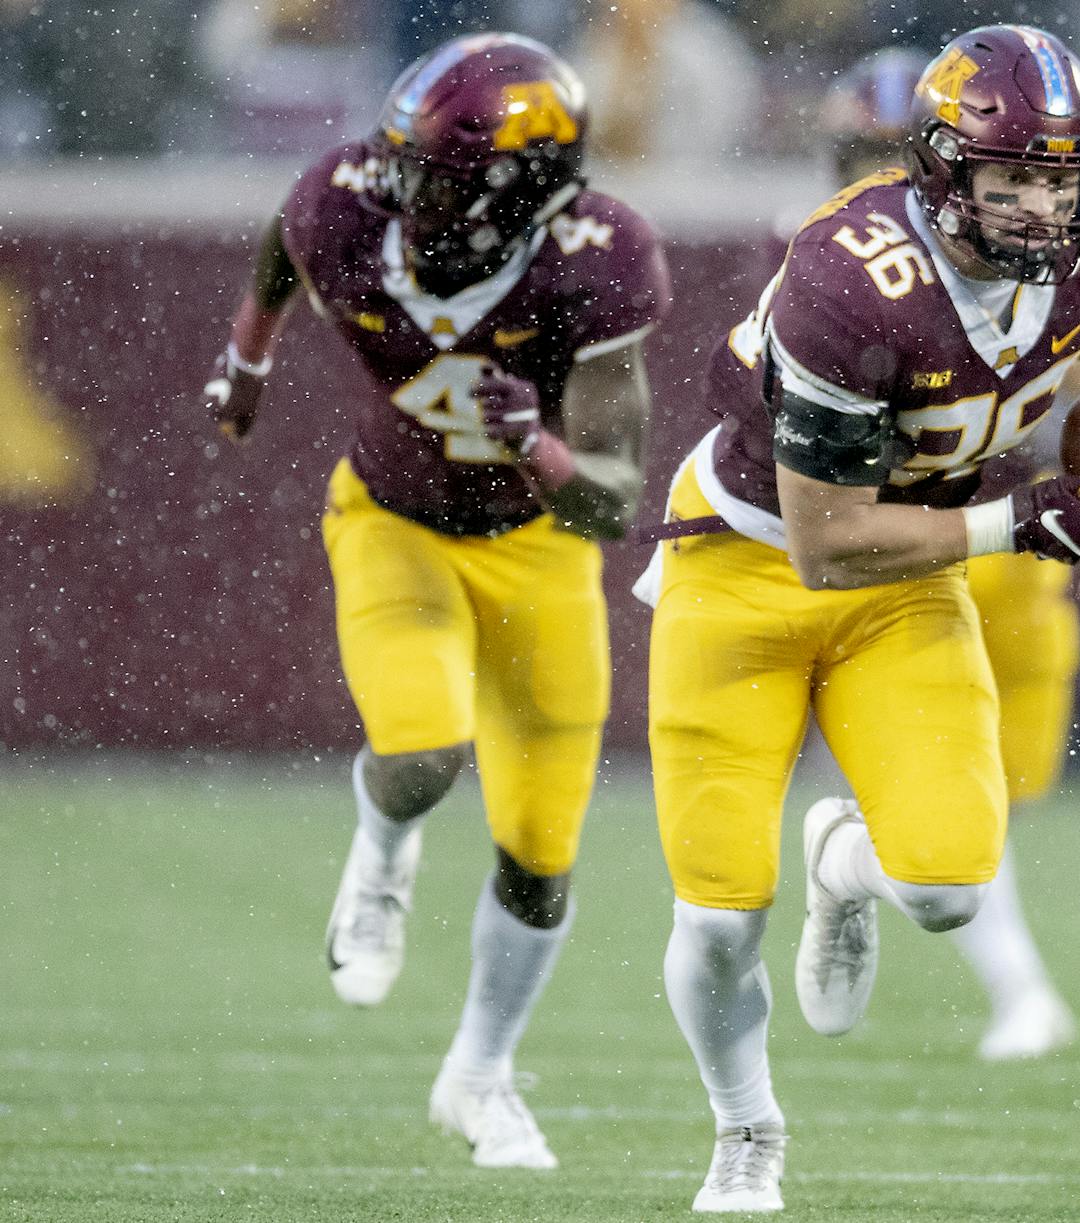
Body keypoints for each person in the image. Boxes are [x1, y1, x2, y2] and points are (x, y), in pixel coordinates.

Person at [639, 25, 1080, 1212]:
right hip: (747, 569)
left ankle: (840, 866)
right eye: (1009, 175)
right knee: (713, 917)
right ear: (940, 167)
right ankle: (746, 1127)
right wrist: (1032, 524)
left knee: (950, 882)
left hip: (906, 585)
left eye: (1060, 180)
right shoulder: (848, 278)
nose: (1037, 208)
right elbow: (826, 541)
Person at [201, 33, 671, 1169]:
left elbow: (611, 501)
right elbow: (283, 242)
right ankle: (381, 860)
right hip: (393, 520)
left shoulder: (595, 263)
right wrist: (247, 362)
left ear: (522, 192)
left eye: (443, 176)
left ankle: (480, 1074)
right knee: (420, 751)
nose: (408, 190)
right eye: (405, 163)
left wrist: (544, 452)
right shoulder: (348, 203)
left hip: (542, 549)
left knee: (539, 848)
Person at [819, 43, 1080, 1061]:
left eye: (881, 149)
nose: (868, 171)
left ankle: (959, 936)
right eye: (856, 150)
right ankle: (1020, 990)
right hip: (908, 547)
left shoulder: (1036, 246)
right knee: (955, 804)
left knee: (998, 797)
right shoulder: (826, 264)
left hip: (1018, 545)